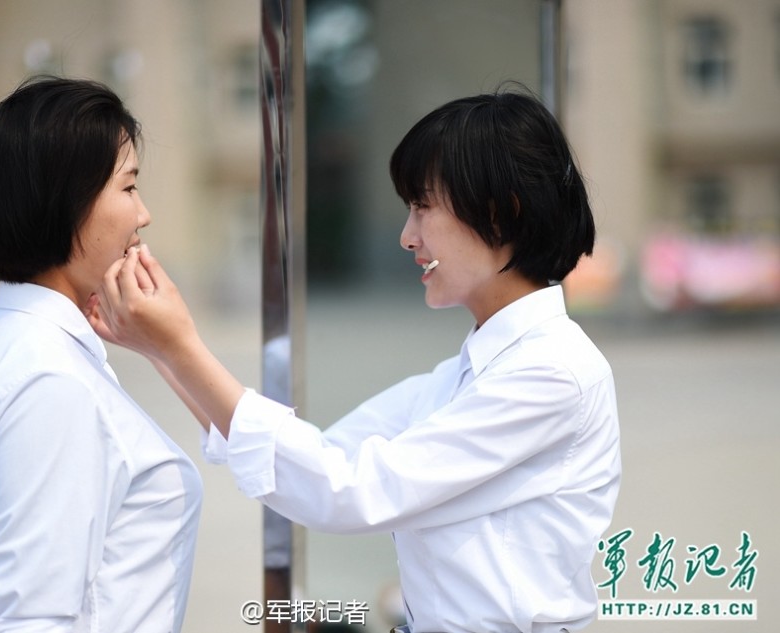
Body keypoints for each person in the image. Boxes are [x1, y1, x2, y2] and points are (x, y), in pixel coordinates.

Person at [89, 86, 621, 633]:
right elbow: (314, 456)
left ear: (501, 212)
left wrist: (180, 347)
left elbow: (346, 491)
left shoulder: (551, 373)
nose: (406, 236)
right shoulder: (471, 371)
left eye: (423, 207)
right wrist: (161, 349)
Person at [0, 76, 202, 633]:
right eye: (129, 188)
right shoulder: (48, 380)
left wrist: (166, 350)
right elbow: (30, 619)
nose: (144, 214)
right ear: (66, 203)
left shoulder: (27, 349)